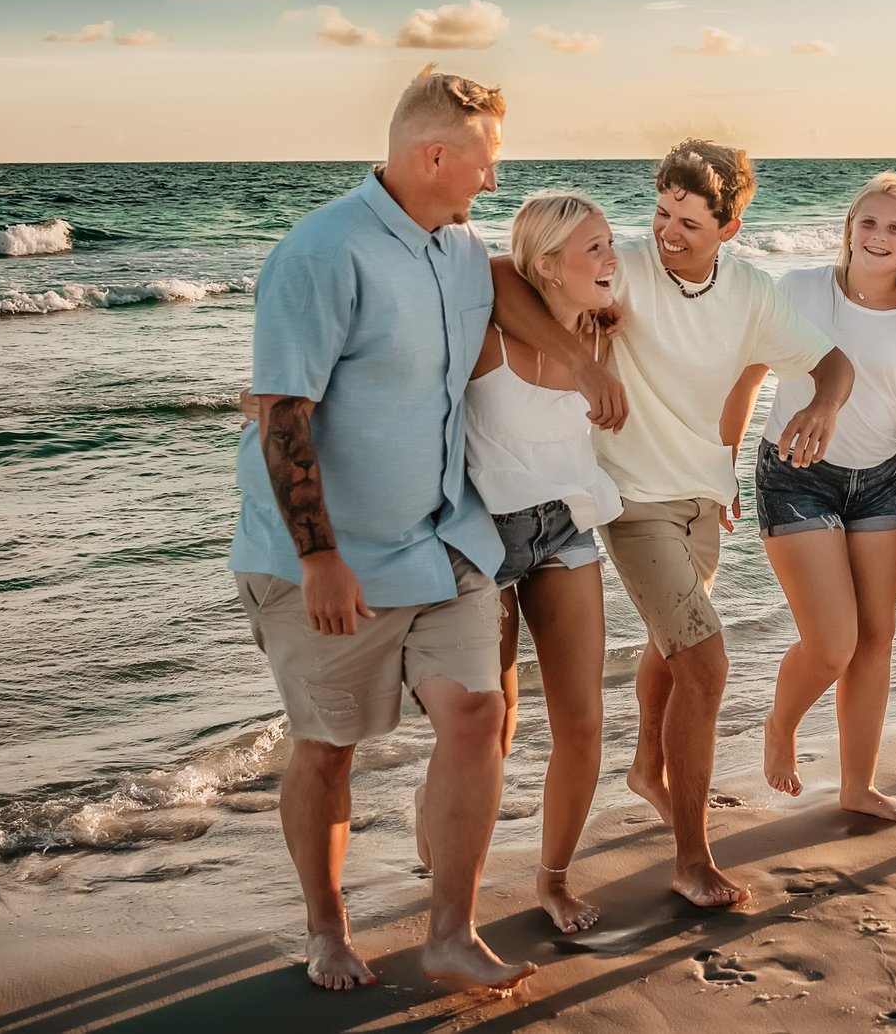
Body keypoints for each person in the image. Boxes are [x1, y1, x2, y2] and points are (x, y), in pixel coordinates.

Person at [228, 71, 614, 996]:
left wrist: (575, 359)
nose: (493, 180)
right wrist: (319, 557)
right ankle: (327, 932)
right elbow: (282, 409)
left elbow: (503, 293)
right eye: (486, 161)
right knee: (327, 747)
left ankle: (451, 932)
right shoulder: (323, 255)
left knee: (478, 716)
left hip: (444, 538)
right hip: (329, 556)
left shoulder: (457, 246)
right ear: (434, 154)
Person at [494, 138, 852, 909]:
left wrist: (822, 406)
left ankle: (649, 769)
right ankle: (691, 859)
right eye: (661, 213)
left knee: (674, 646)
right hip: (631, 498)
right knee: (705, 662)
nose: (667, 233)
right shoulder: (617, 262)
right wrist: (586, 365)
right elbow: (503, 280)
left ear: (730, 225)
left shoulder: (751, 293)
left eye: (689, 222)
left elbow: (832, 363)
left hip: (702, 495)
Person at [729, 171, 896, 822]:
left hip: (874, 483)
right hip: (793, 477)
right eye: (867, 222)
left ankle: (857, 787)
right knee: (831, 644)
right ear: (848, 229)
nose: (877, 236)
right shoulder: (802, 290)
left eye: (893, 228)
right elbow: (749, 375)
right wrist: (718, 464)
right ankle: (781, 725)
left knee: (876, 641)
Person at [449, 190, 623, 935]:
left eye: (611, 241)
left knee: (583, 721)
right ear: (548, 265)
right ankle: (459, 867)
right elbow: (490, 267)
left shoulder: (607, 322)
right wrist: (582, 365)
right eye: (594, 247)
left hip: (567, 529)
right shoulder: (489, 333)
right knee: (493, 725)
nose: (613, 256)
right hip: (486, 539)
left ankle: (552, 880)